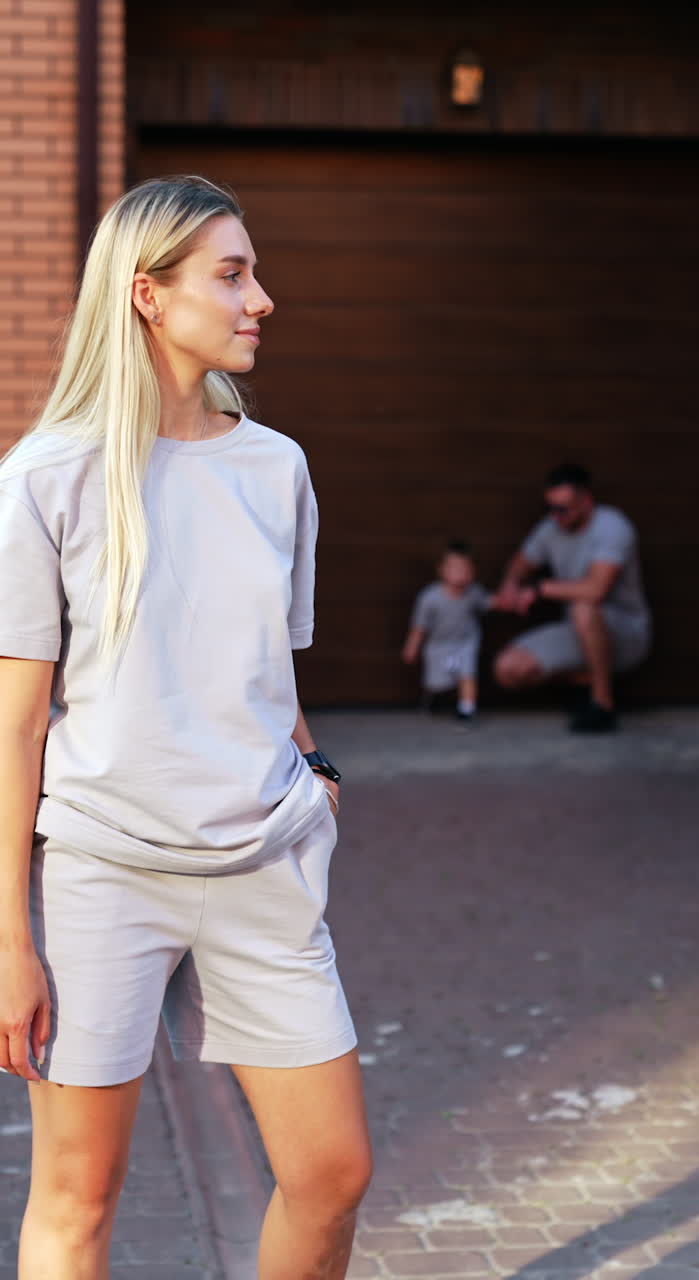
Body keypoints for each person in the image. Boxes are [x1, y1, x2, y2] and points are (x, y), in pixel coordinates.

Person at [0, 175, 371, 1279]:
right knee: (80, 1193)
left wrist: (318, 773)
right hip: (103, 877)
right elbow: (16, 725)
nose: (263, 297)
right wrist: (9, 937)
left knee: (331, 1172)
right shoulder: (44, 478)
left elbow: (268, 669)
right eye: (233, 272)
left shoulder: (277, 468)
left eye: (252, 271)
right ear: (148, 294)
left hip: (265, 863)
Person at [493, 463, 652, 732]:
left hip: (627, 634)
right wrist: (511, 584)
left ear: (586, 500)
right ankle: (583, 682)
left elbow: (596, 589)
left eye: (563, 509)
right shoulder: (550, 528)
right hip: (577, 631)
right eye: (550, 508)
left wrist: (539, 589)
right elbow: (520, 563)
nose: (556, 516)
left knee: (584, 607)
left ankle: (602, 705)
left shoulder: (613, 528)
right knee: (506, 670)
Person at [402, 540, 495, 720]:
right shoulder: (429, 598)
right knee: (437, 681)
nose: (462, 573)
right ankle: (433, 698)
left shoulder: (474, 593)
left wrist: (512, 601)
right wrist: (412, 646)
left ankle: (467, 709)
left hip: (465, 643)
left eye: (466, 568)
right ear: (442, 570)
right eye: (456, 568)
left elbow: (490, 602)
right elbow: (419, 626)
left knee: (467, 672)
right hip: (439, 646)